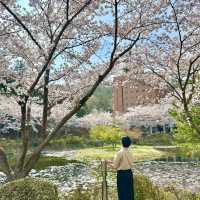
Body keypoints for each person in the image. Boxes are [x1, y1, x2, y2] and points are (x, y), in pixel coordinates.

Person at [113, 136, 134, 200]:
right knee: (129, 193)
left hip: (122, 175)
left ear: (122, 143)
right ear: (129, 144)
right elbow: (129, 163)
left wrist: (108, 163)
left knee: (122, 193)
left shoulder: (120, 152)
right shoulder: (130, 152)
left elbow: (115, 166)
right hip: (129, 173)